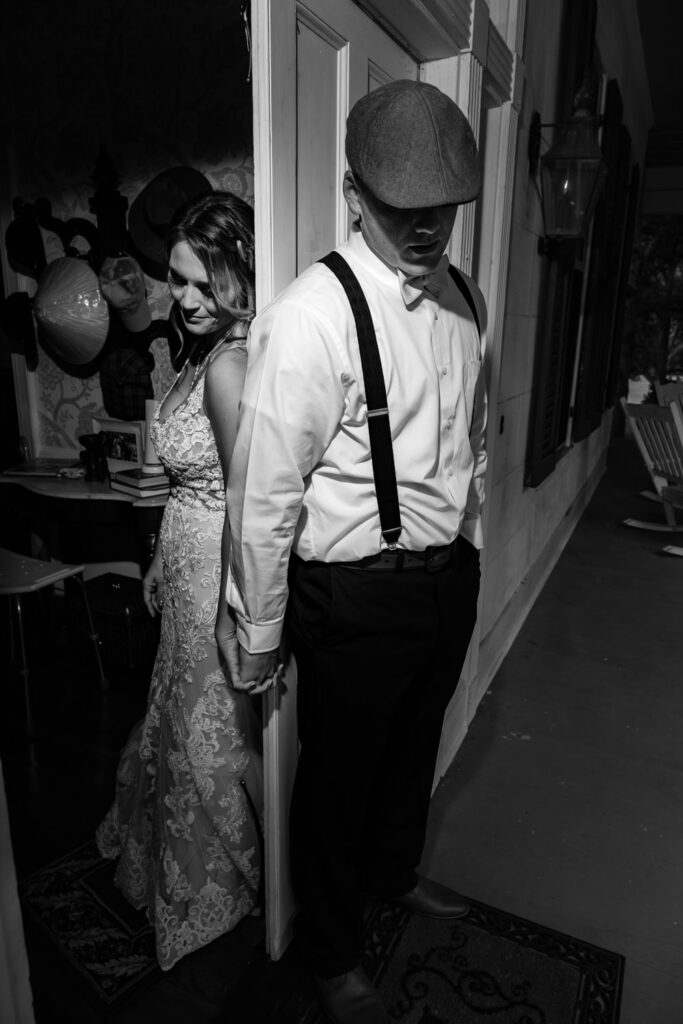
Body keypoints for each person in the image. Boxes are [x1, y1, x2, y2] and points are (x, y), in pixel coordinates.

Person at [223, 79, 487, 1024]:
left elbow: (466, 439)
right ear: (352, 192)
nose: (426, 230)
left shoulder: (465, 298)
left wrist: (468, 541)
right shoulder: (308, 317)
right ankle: (332, 953)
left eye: (442, 210)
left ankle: (394, 874)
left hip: (443, 580)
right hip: (354, 598)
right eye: (402, 209)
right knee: (336, 782)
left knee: (411, 751)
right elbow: (263, 495)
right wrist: (254, 632)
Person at [96, 191, 264, 972]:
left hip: (218, 571)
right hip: (186, 554)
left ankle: (226, 882)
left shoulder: (230, 364)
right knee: (176, 709)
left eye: (205, 282)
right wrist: (163, 553)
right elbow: (189, 486)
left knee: (211, 732)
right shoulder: (197, 351)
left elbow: (244, 500)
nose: (188, 299)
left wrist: (236, 607)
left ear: (237, 273)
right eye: (179, 280)